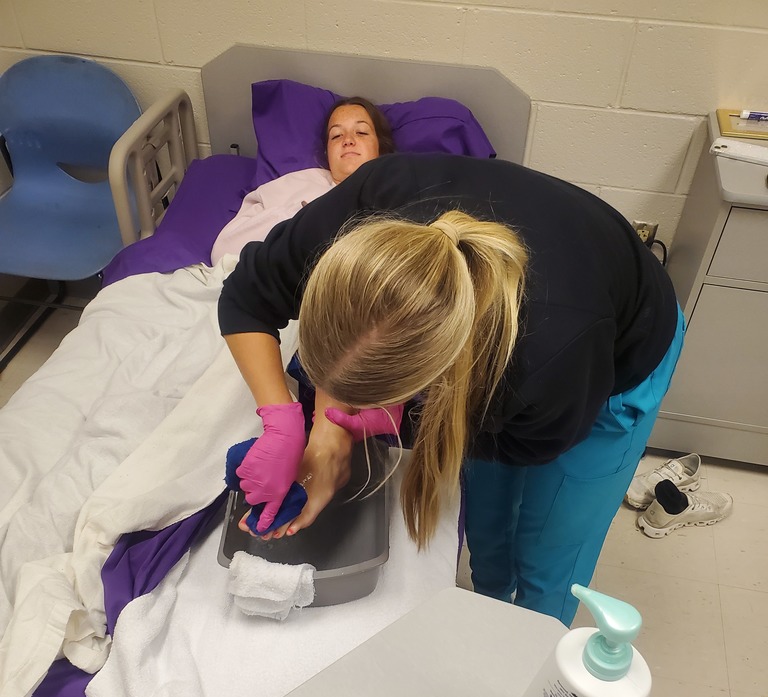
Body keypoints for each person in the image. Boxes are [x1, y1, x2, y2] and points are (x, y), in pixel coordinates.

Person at [218, 153, 683, 625]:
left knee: (549, 558)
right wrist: (287, 418)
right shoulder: (358, 209)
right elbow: (244, 298)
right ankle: (490, 604)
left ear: (429, 381)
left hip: (621, 343)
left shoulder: (548, 357)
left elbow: (534, 443)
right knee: (487, 525)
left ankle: (528, 642)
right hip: (536, 324)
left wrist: (377, 425)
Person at [210, 97, 394, 262]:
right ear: (327, 152)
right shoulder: (294, 185)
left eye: (361, 132)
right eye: (336, 135)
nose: (347, 140)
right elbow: (223, 252)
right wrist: (298, 217)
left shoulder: (399, 190)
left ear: (381, 146)